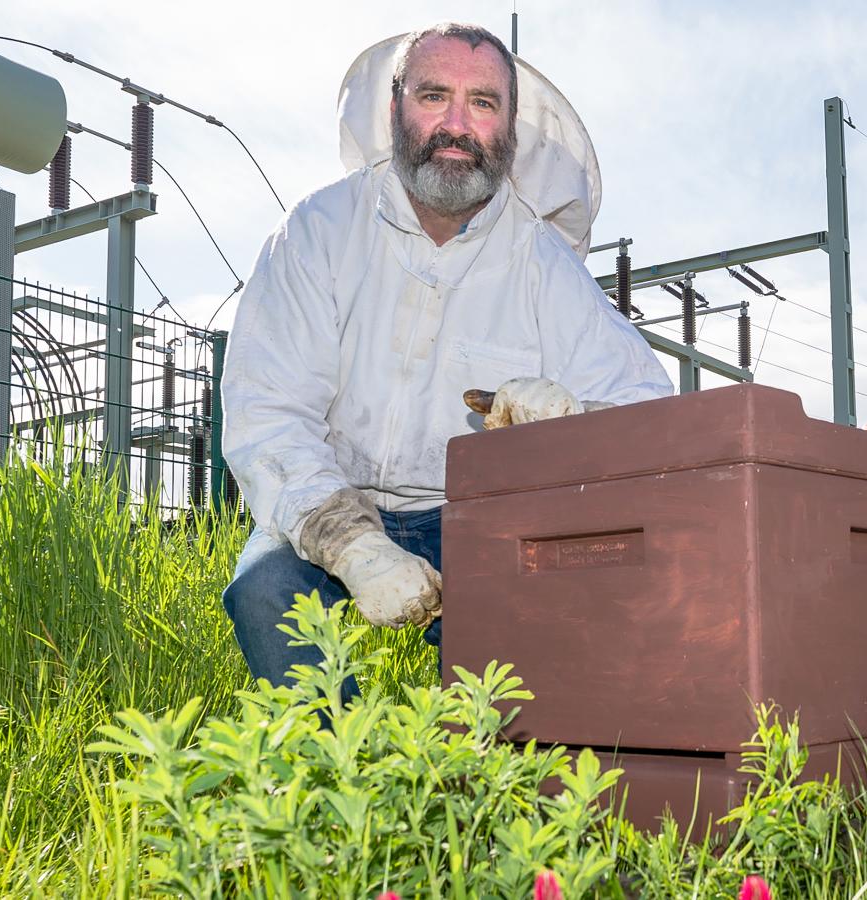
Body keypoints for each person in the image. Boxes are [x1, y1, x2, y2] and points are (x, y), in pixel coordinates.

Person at [220, 22, 671, 695]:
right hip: (332, 494)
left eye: (483, 104)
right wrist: (354, 546)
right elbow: (268, 412)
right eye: (435, 96)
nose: (457, 124)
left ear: (510, 130)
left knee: (548, 626)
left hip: (477, 522)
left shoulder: (542, 264)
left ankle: (486, 782)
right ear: (396, 108)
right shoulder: (318, 232)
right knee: (266, 590)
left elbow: (650, 416)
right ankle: (332, 781)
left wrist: (576, 417)